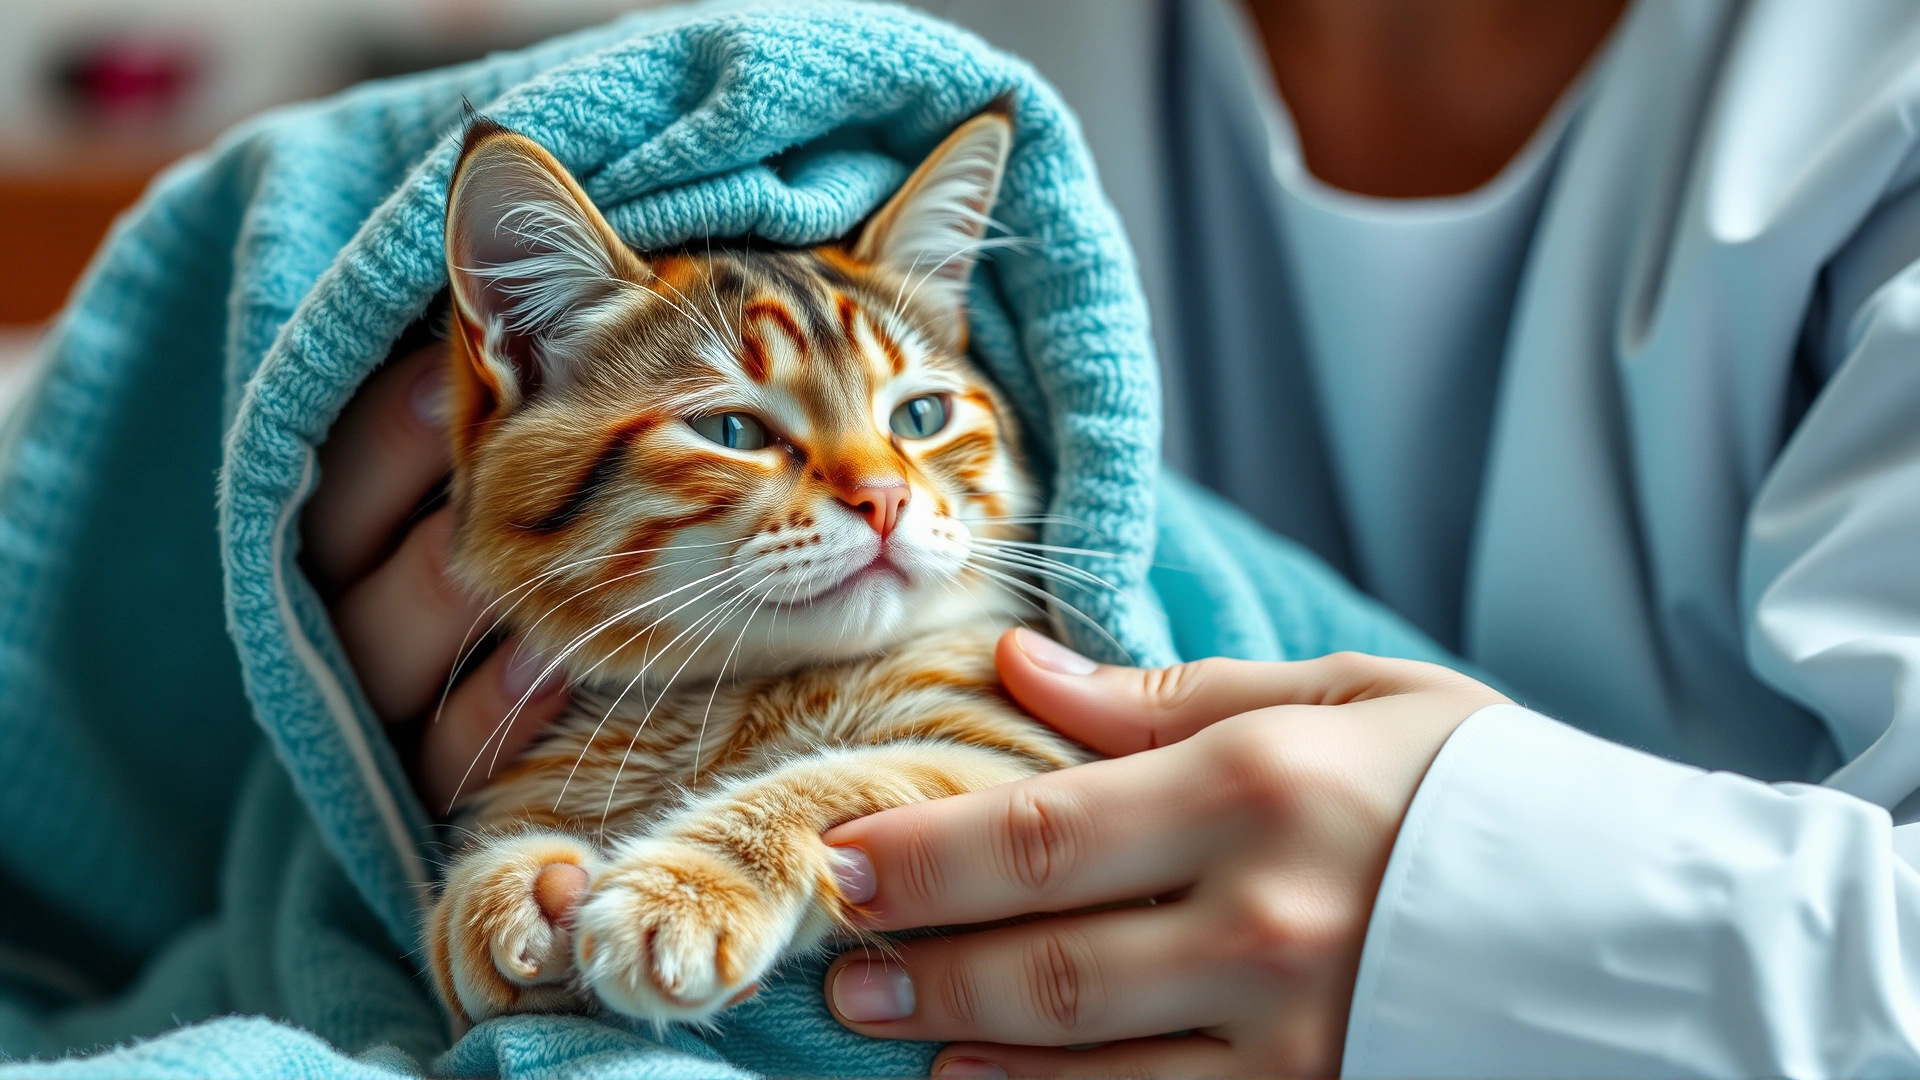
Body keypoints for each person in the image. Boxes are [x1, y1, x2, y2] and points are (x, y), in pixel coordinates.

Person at [308, 0, 1920, 1074]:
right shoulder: (853, 71)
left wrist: (1479, 910)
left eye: (920, 423)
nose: (875, 488)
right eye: (746, 430)